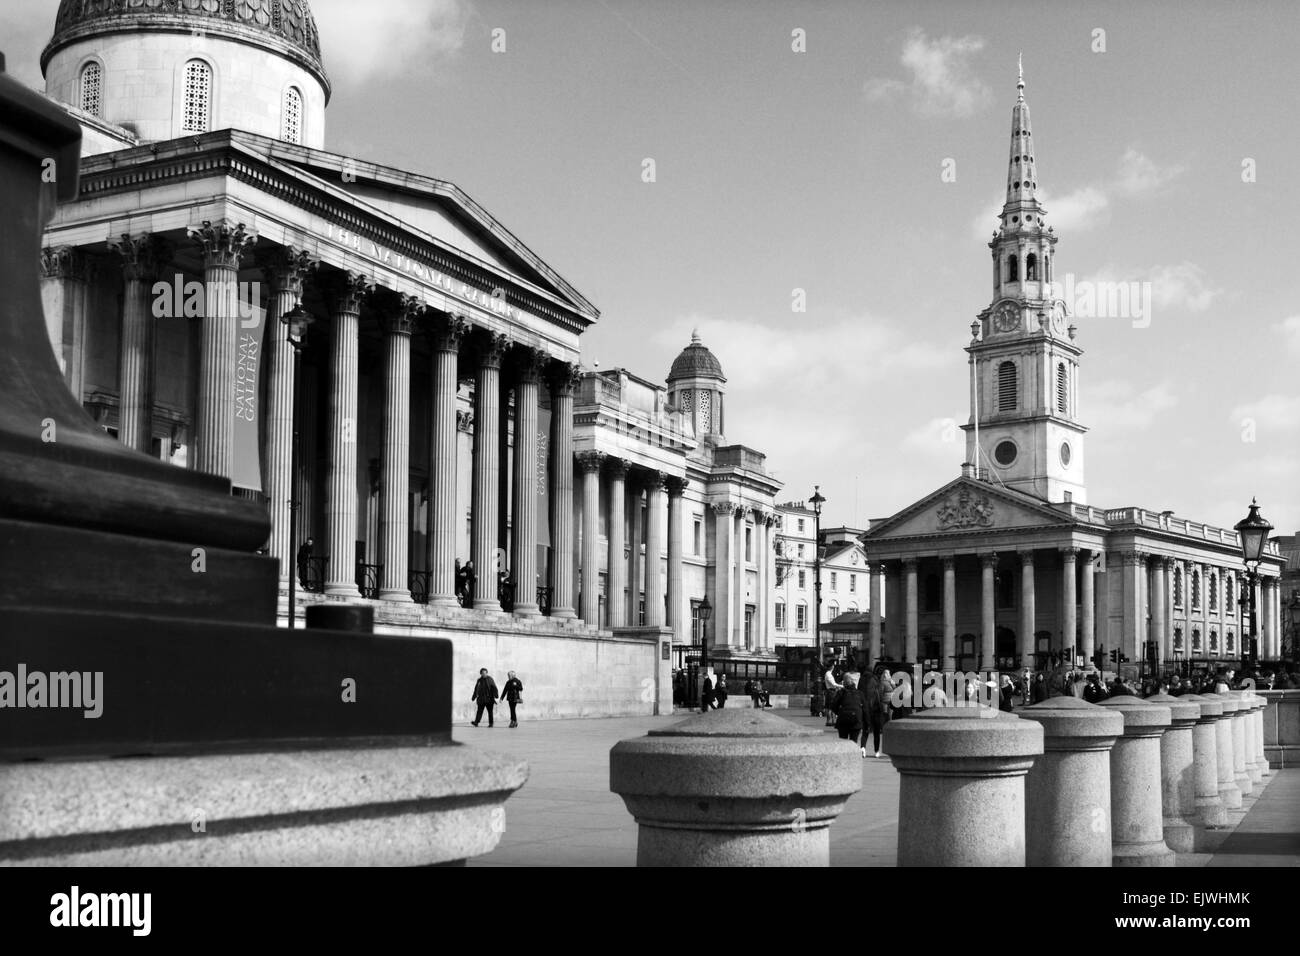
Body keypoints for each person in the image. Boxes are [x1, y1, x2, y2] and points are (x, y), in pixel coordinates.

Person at [834, 673, 868, 755]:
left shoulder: (841, 693)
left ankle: (844, 757)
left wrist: (840, 712)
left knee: (843, 741)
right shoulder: (860, 693)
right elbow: (865, 709)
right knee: (853, 741)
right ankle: (852, 757)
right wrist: (866, 723)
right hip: (856, 720)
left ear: (844, 683)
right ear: (853, 683)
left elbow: (833, 705)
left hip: (843, 720)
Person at [863, 664, 891, 758]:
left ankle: (868, 748)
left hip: (871, 708)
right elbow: (877, 695)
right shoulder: (876, 681)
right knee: (874, 731)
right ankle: (875, 751)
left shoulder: (871, 680)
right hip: (875, 708)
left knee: (870, 730)